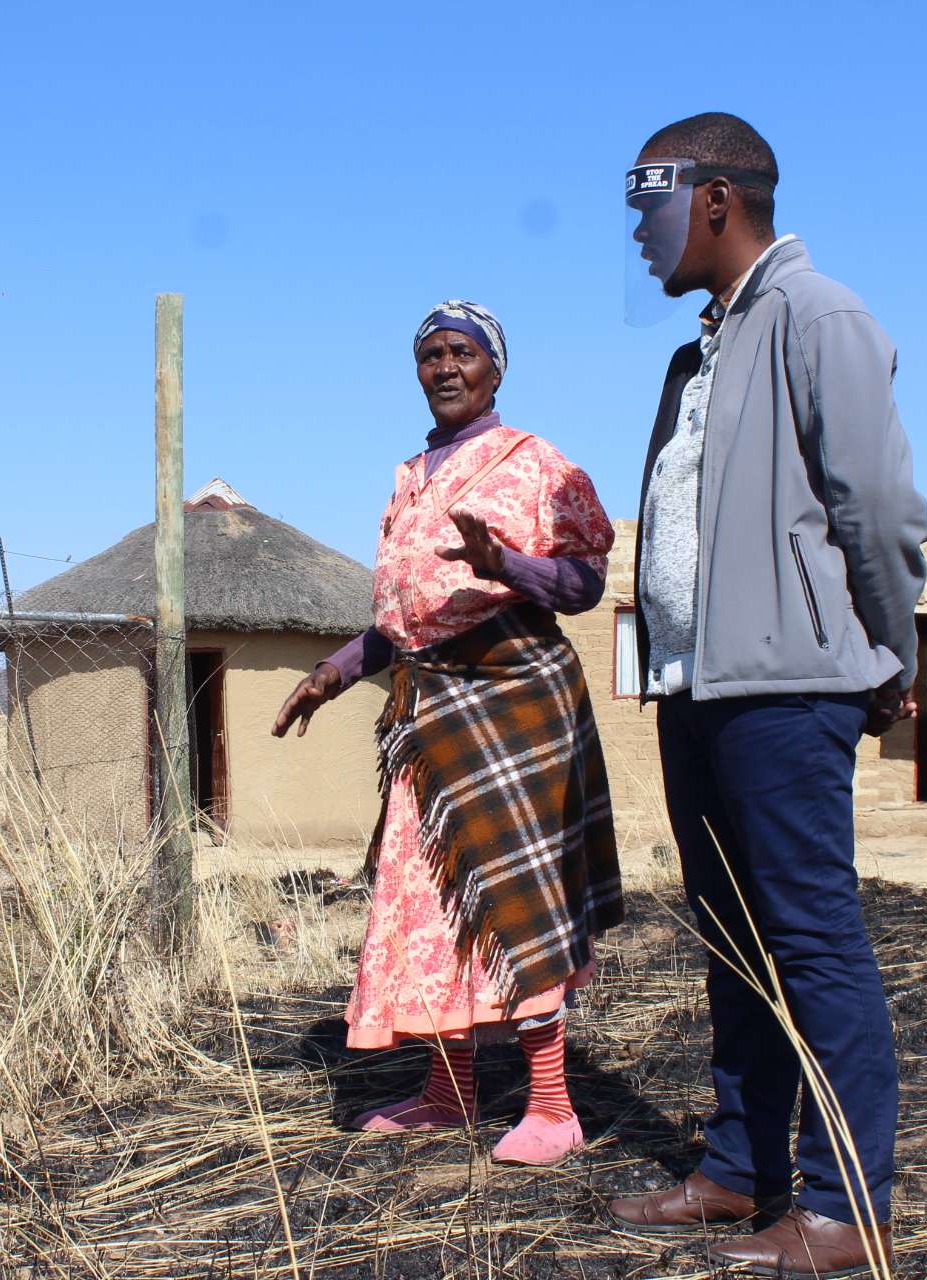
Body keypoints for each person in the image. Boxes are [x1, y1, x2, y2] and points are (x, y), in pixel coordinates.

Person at [601, 114, 927, 1277]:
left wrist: (890, 648)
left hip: (787, 687)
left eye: (650, 208)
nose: (638, 235)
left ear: (717, 200)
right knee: (732, 939)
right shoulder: (699, 352)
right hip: (701, 685)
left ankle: (848, 1205)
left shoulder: (816, 315)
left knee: (813, 942)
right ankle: (742, 1167)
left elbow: (878, 505)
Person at [270, 300, 624, 1167]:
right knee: (427, 900)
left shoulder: (532, 463)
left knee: (516, 895)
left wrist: (509, 565)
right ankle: (450, 1090)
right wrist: (334, 672)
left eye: (462, 353)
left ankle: (552, 1107)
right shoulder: (410, 476)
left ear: (495, 369)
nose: (444, 367)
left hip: (511, 698)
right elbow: (404, 619)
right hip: (426, 712)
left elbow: (583, 585)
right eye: (429, 355)